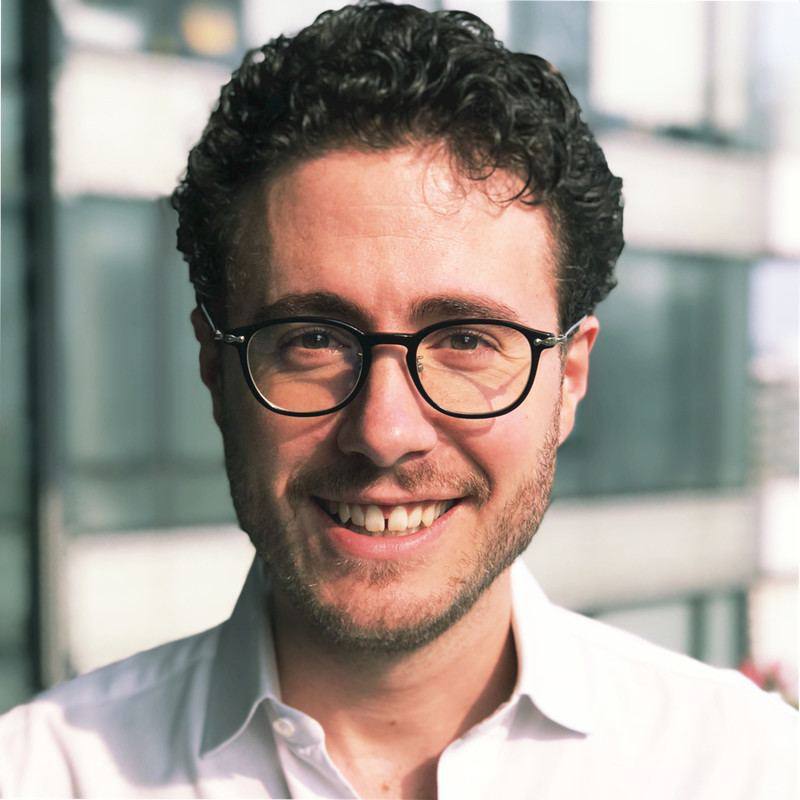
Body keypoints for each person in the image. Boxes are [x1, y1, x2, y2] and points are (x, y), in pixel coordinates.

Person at [1, 3, 796, 798]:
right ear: (216, 370)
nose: (384, 431)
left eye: (467, 340)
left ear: (570, 380)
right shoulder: (39, 775)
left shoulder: (745, 768)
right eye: (314, 339)